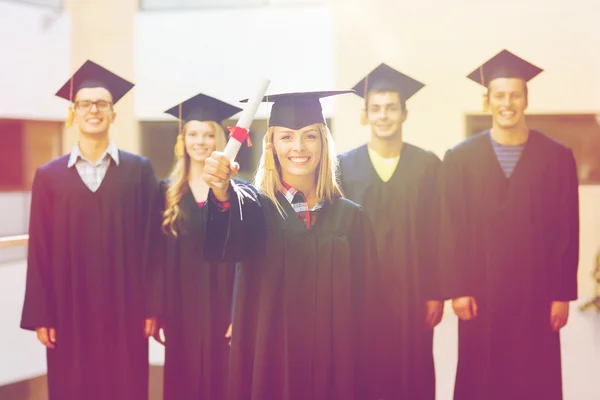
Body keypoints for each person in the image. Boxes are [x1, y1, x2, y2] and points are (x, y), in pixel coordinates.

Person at [202, 90, 385, 400]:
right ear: (271, 146)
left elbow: (371, 307)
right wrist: (221, 191)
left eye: (309, 136)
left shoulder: (351, 217)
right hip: (272, 368)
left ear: (323, 143)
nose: (298, 147)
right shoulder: (255, 209)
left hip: (337, 370)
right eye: (287, 137)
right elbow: (226, 231)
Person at [440, 49, 580, 400]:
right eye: (499, 96)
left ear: (526, 99)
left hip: (537, 293)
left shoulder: (557, 157)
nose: (507, 103)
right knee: (481, 380)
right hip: (480, 293)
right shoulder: (460, 158)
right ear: (487, 101)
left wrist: (562, 294)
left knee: (535, 379)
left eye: (515, 95)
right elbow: (451, 227)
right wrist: (457, 287)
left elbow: (567, 229)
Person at [20, 60, 158, 400]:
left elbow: (152, 244)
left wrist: (152, 306)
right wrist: (42, 314)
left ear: (113, 114)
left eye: (101, 104)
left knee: (125, 386)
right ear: (74, 113)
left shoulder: (139, 171)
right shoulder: (49, 177)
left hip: (126, 308)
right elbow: (39, 249)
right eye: (85, 104)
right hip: (68, 312)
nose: (93, 110)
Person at [338, 63, 443, 400]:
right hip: (360, 292)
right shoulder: (344, 166)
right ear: (365, 115)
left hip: (414, 291)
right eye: (376, 109)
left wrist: (436, 292)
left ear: (405, 113)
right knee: (363, 373)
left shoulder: (427, 165)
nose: (383, 116)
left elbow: (439, 231)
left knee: (413, 374)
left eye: (391, 108)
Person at [148, 92, 243, 400]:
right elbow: (157, 256)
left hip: (222, 306)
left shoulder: (235, 192)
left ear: (218, 139)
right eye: (193, 134)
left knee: (224, 380)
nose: (200, 141)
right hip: (181, 309)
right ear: (182, 139)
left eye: (208, 134)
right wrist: (157, 309)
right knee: (183, 382)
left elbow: (245, 257)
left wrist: (239, 310)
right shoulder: (166, 192)